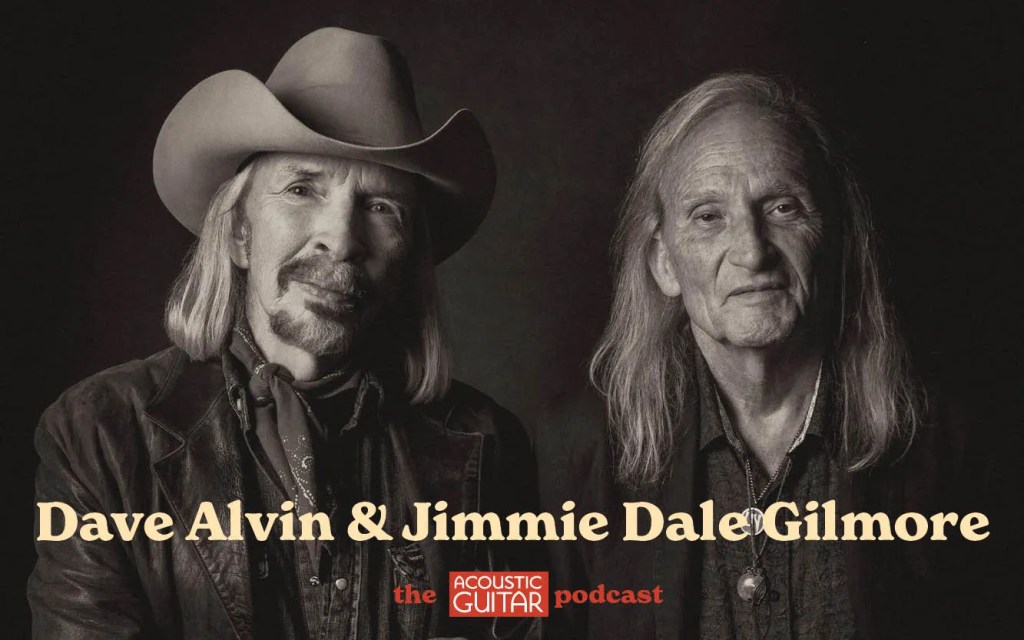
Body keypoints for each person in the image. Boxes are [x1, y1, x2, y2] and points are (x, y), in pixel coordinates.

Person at [29, 27, 539, 640]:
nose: (341, 239)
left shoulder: (489, 445)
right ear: (239, 234)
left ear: (407, 260)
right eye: (302, 189)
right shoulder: (99, 434)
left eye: (382, 207)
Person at [538, 72, 979, 639]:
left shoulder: (945, 440)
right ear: (665, 264)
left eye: (783, 208)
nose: (751, 250)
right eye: (708, 216)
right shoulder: (574, 453)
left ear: (838, 237)